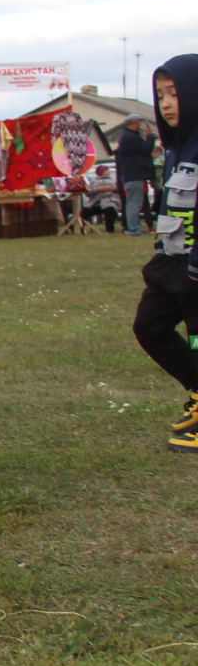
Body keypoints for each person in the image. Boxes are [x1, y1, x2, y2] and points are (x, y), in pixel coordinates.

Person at [135, 56, 198, 455]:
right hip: (170, 265)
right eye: (160, 95)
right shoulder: (174, 148)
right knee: (149, 328)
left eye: (175, 93)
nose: (167, 103)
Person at [116, 113, 156, 235]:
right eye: (139, 122)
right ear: (135, 123)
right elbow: (146, 148)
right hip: (135, 174)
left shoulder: (127, 137)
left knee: (132, 202)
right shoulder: (131, 137)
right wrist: (150, 137)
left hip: (131, 174)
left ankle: (133, 227)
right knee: (134, 203)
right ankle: (134, 228)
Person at [84, 163, 121, 233]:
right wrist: (97, 190)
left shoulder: (113, 181)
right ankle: (80, 229)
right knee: (84, 212)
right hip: (95, 203)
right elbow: (87, 193)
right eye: (106, 170)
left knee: (110, 210)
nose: (108, 172)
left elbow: (119, 190)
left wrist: (112, 189)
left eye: (108, 170)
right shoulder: (93, 182)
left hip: (110, 201)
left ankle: (110, 230)